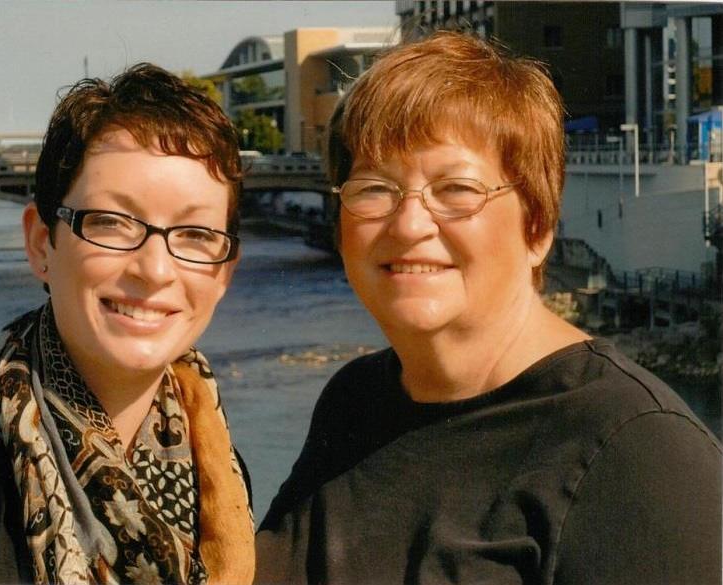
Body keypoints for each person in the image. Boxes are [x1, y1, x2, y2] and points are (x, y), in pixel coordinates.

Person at [256, 31, 721, 584]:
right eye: (374, 188)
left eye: (456, 189)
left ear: (537, 228)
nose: (409, 224)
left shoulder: (638, 453)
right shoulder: (353, 403)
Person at [0, 64, 254, 584]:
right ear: (42, 245)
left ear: (224, 273)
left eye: (196, 234)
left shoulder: (222, 476)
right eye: (111, 222)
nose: (155, 270)